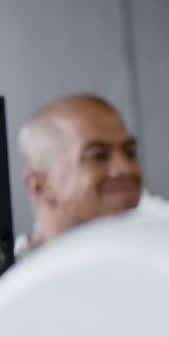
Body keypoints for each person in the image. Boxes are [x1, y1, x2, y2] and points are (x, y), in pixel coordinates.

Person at [14, 94, 155, 256]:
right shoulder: (9, 280)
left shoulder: (167, 258)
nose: (126, 169)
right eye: (98, 155)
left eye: (130, 152)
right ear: (41, 186)